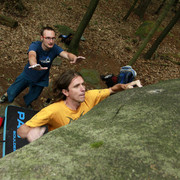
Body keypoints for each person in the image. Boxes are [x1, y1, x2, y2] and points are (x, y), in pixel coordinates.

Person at [17, 70, 143, 142]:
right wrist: (30, 133)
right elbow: (21, 130)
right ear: (66, 92)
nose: (83, 89)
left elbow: (113, 89)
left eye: (83, 84)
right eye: (77, 86)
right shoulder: (54, 110)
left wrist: (125, 86)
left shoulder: (90, 96)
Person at [0, 26, 85, 108]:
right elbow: (32, 55)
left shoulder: (55, 48)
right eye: (48, 38)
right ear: (42, 38)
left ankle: (26, 103)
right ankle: (6, 95)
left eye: (53, 38)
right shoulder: (35, 45)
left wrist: (74, 58)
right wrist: (34, 64)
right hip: (28, 73)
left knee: (34, 95)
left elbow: (66, 54)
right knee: (14, 89)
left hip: (42, 78)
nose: (51, 41)